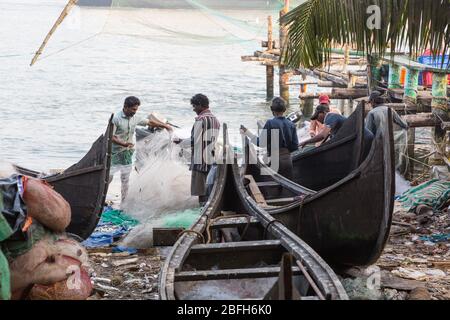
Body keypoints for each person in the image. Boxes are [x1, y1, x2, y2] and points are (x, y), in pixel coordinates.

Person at [110, 96, 172, 202]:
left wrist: (165, 126)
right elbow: (111, 137)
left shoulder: (135, 118)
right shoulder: (116, 119)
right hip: (114, 153)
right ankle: (100, 200)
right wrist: (123, 143)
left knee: (125, 180)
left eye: (136, 109)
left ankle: (123, 202)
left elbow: (150, 122)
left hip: (127, 153)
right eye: (133, 109)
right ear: (125, 107)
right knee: (109, 178)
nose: (135, 112)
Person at [174, 94, 220, 206]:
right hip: (211, 158)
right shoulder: (215, 120)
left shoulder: (200, 120)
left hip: (200, 161)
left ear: (200, 105)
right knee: (209, 188)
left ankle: (202, 212)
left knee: (201, 191)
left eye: (194, 106)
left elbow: (194, 141)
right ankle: (209, 208)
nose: (193, 109)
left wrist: (180, 142)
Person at [241, 97, 298, 180]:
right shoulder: (291, 124)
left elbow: (260, 143)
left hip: (275, 160)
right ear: (285, 109)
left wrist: (247, 132)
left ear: (272, 109)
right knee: (288, 187)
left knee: (273, 186)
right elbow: (295, 146)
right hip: (288, 161)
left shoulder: (270, 123)